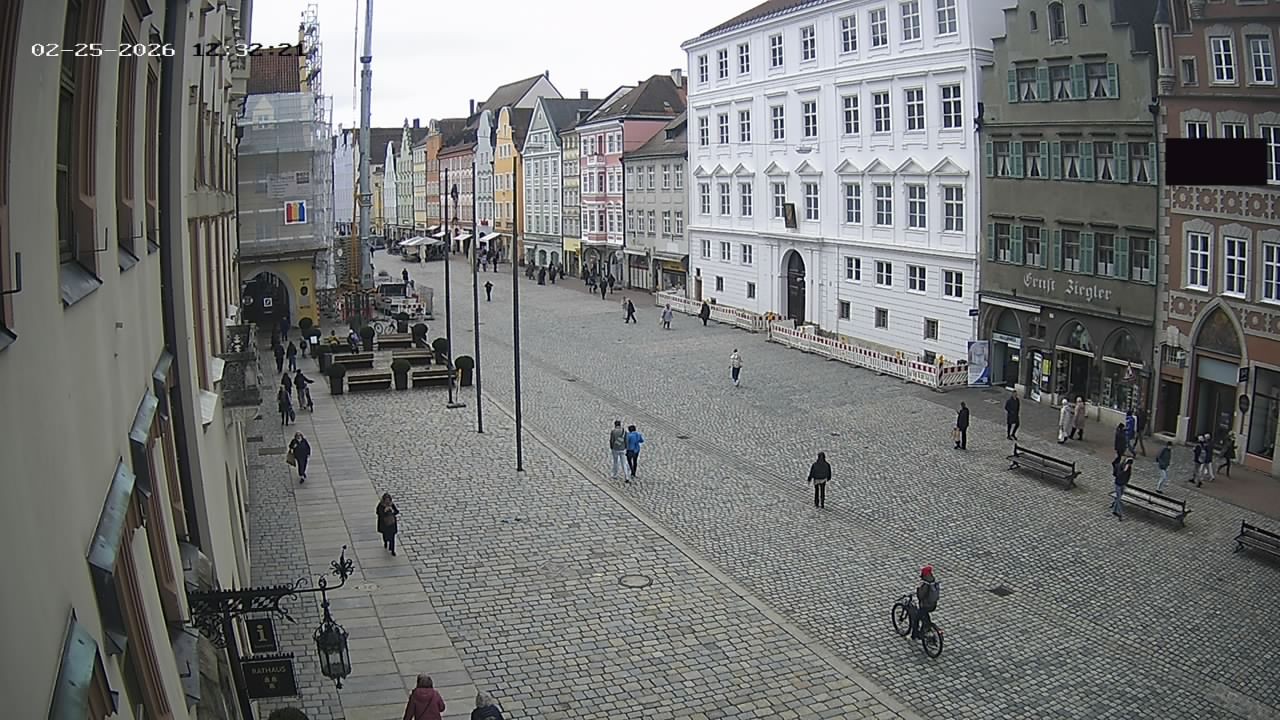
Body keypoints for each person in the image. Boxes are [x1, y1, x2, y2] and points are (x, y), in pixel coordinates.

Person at [910, 566, 940, 640]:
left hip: (925, 605)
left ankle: (914, 635)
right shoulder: (933, 581)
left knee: (916, 618)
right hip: (933, 605)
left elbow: (921, 596)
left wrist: (918, 589)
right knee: (925, 617)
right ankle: (927, 626)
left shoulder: (926, 584)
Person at [1112, 456, 1133, 520]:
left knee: (1119, 497)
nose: (1128, 465)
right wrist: (1124, 471)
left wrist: (1126, 482)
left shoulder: (1129, 468)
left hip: (1123, 484)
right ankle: (1120, 513)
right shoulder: (1120, 466)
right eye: (1128, 464)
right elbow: (1118, 475)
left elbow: (1129, 475)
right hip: (1118, 484)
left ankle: (1115, 510)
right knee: (1118, 499)